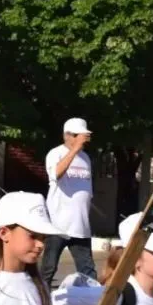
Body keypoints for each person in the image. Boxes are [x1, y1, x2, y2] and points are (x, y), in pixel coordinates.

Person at [41, 118, 97, 285]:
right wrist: (74, 150)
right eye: (80, 136)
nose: (84, 139)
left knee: (88, 272)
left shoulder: (86, 158)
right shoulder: (55, 153)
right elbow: (55, 174)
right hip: (58, 224)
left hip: (81, 225)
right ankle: (40, 300)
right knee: (48, 269)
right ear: (68, 135)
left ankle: (92, 303)